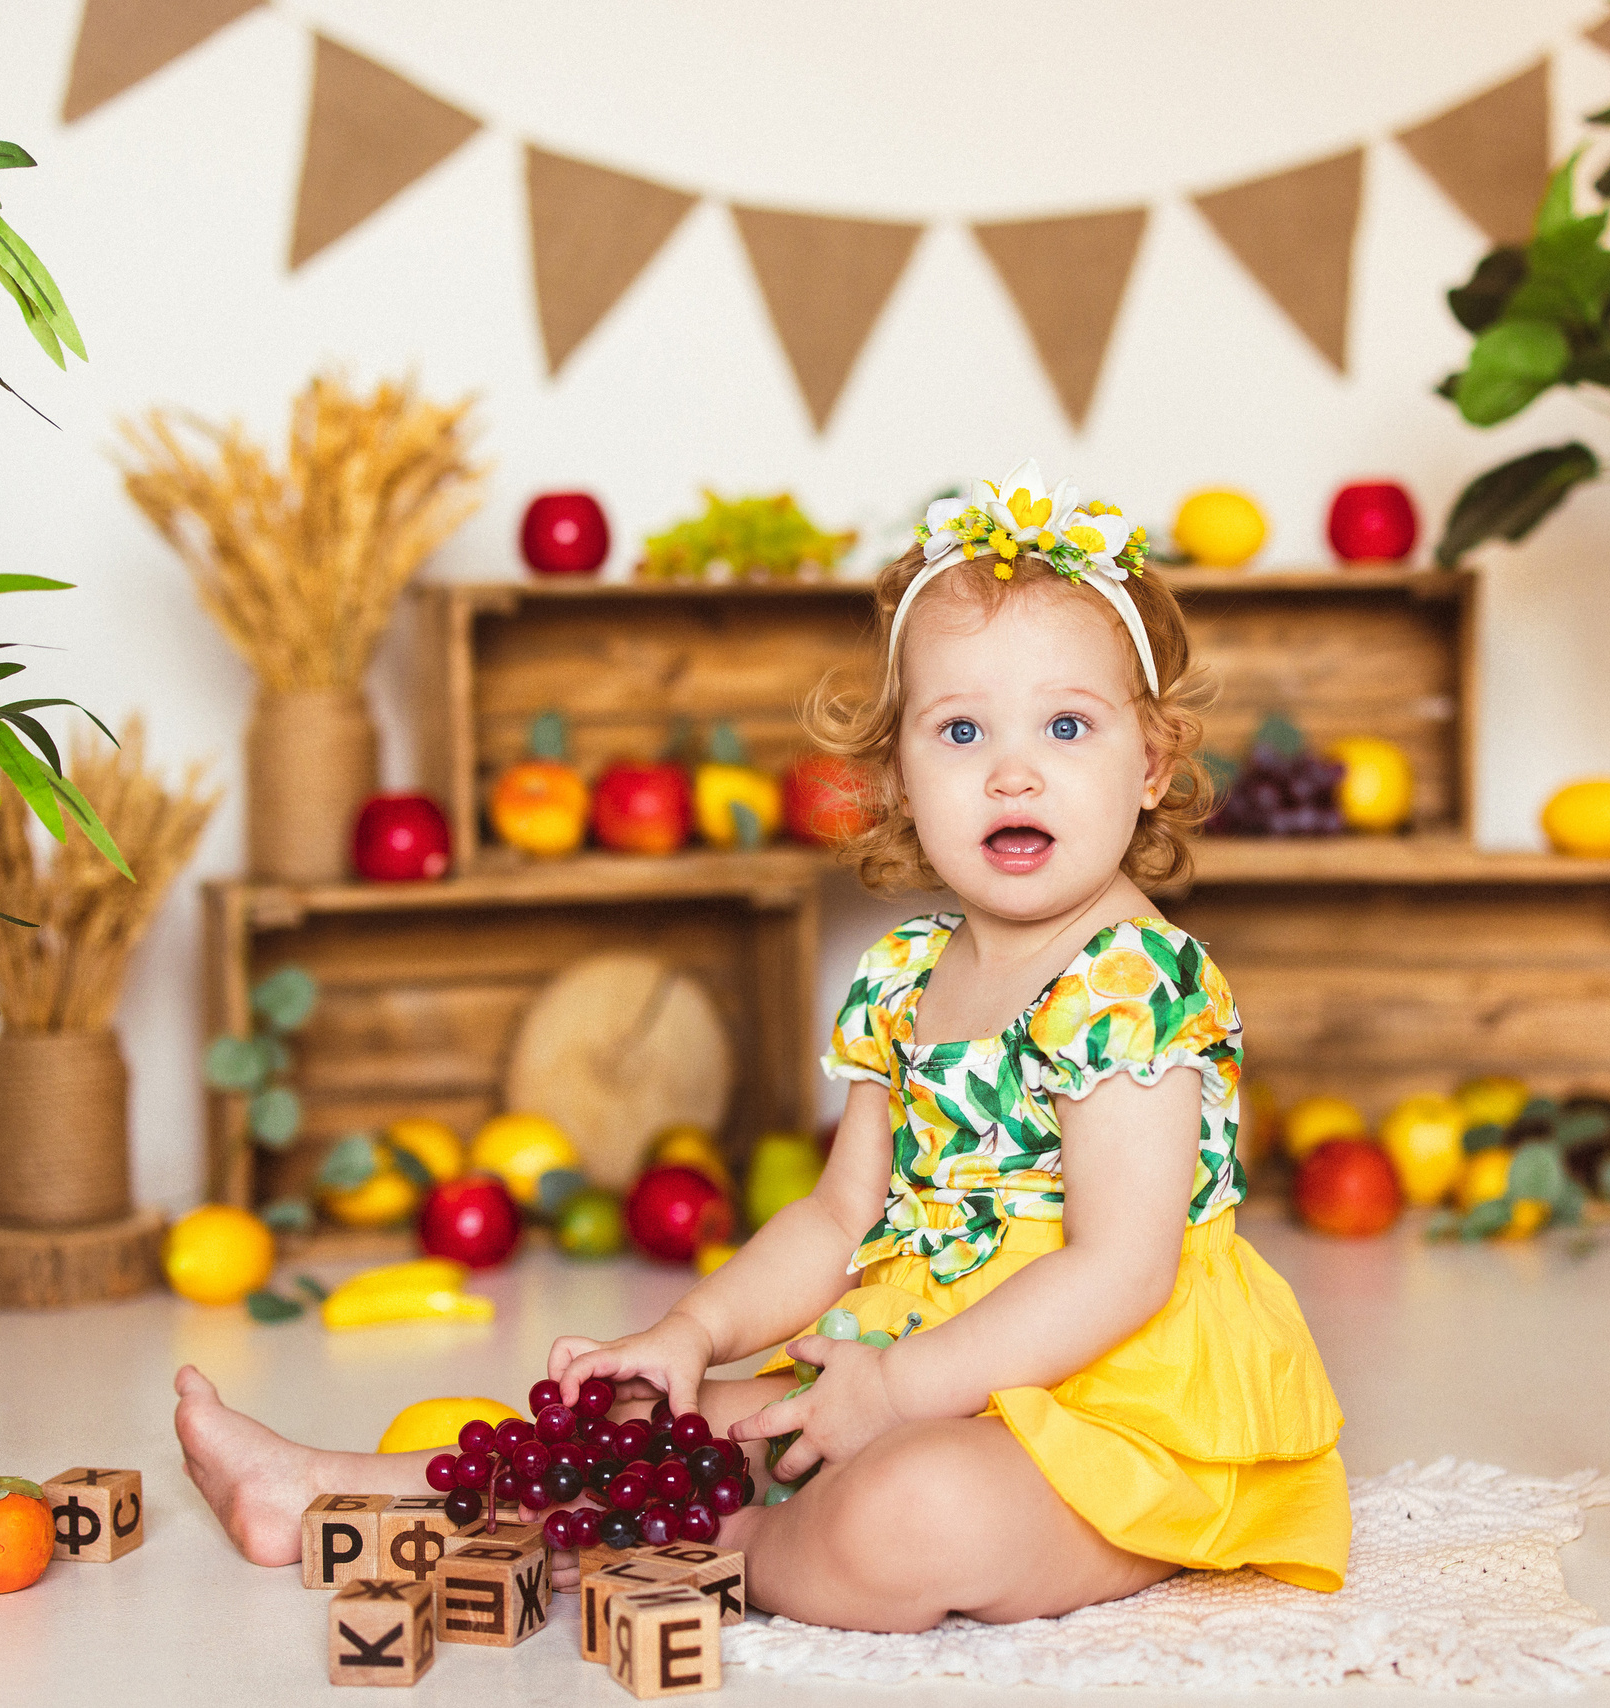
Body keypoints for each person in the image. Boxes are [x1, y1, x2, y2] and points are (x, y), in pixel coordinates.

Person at [173, 460, 1349, 1630]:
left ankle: (715, 1537)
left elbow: (1120, 1268)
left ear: (1148, 764)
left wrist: (894, 1391)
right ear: (895, 778)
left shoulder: (1133, 980)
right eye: (958, 729)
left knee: (909, 1508)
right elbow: (842, 1219)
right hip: (913, 1352)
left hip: (1117, 1413)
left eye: (1065, 724)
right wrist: (696, 1331)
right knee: (645, 1424)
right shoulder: (904, 977)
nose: (1012, 767)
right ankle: (325, 1486)